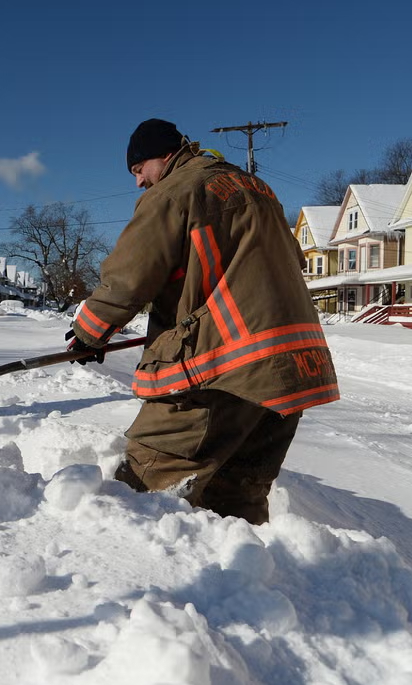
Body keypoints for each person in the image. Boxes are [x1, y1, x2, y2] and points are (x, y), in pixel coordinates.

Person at [66, 118, 338, 524]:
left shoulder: (175, 192)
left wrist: (89, 331)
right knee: (234, 504)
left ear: (163, 155)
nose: (139, 183)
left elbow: (129, 277)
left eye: (139, 170)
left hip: (221, 372)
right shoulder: (258, 190)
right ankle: (237, 583)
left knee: (141, 497)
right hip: (287, 376)